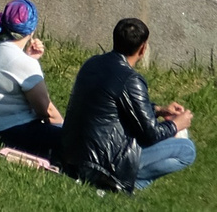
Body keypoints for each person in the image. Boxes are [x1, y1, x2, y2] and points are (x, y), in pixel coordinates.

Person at [57, 17, 195, 191]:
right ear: (143, 48)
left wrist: (158, 110)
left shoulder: (92, 63)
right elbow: (150, 135)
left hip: (73, 155)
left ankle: (121, 185)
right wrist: (176, 124)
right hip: (103, 164)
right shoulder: (131, 79)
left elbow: (112, 106)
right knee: (186, 149)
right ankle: (123, 186)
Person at [0, 0, 64, 157]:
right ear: (31, 30)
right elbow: (46, 111)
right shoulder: (23, 63)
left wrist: (30, 59)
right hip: (9, 131)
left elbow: (9, 75)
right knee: (75, 142)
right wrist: (64, 129)